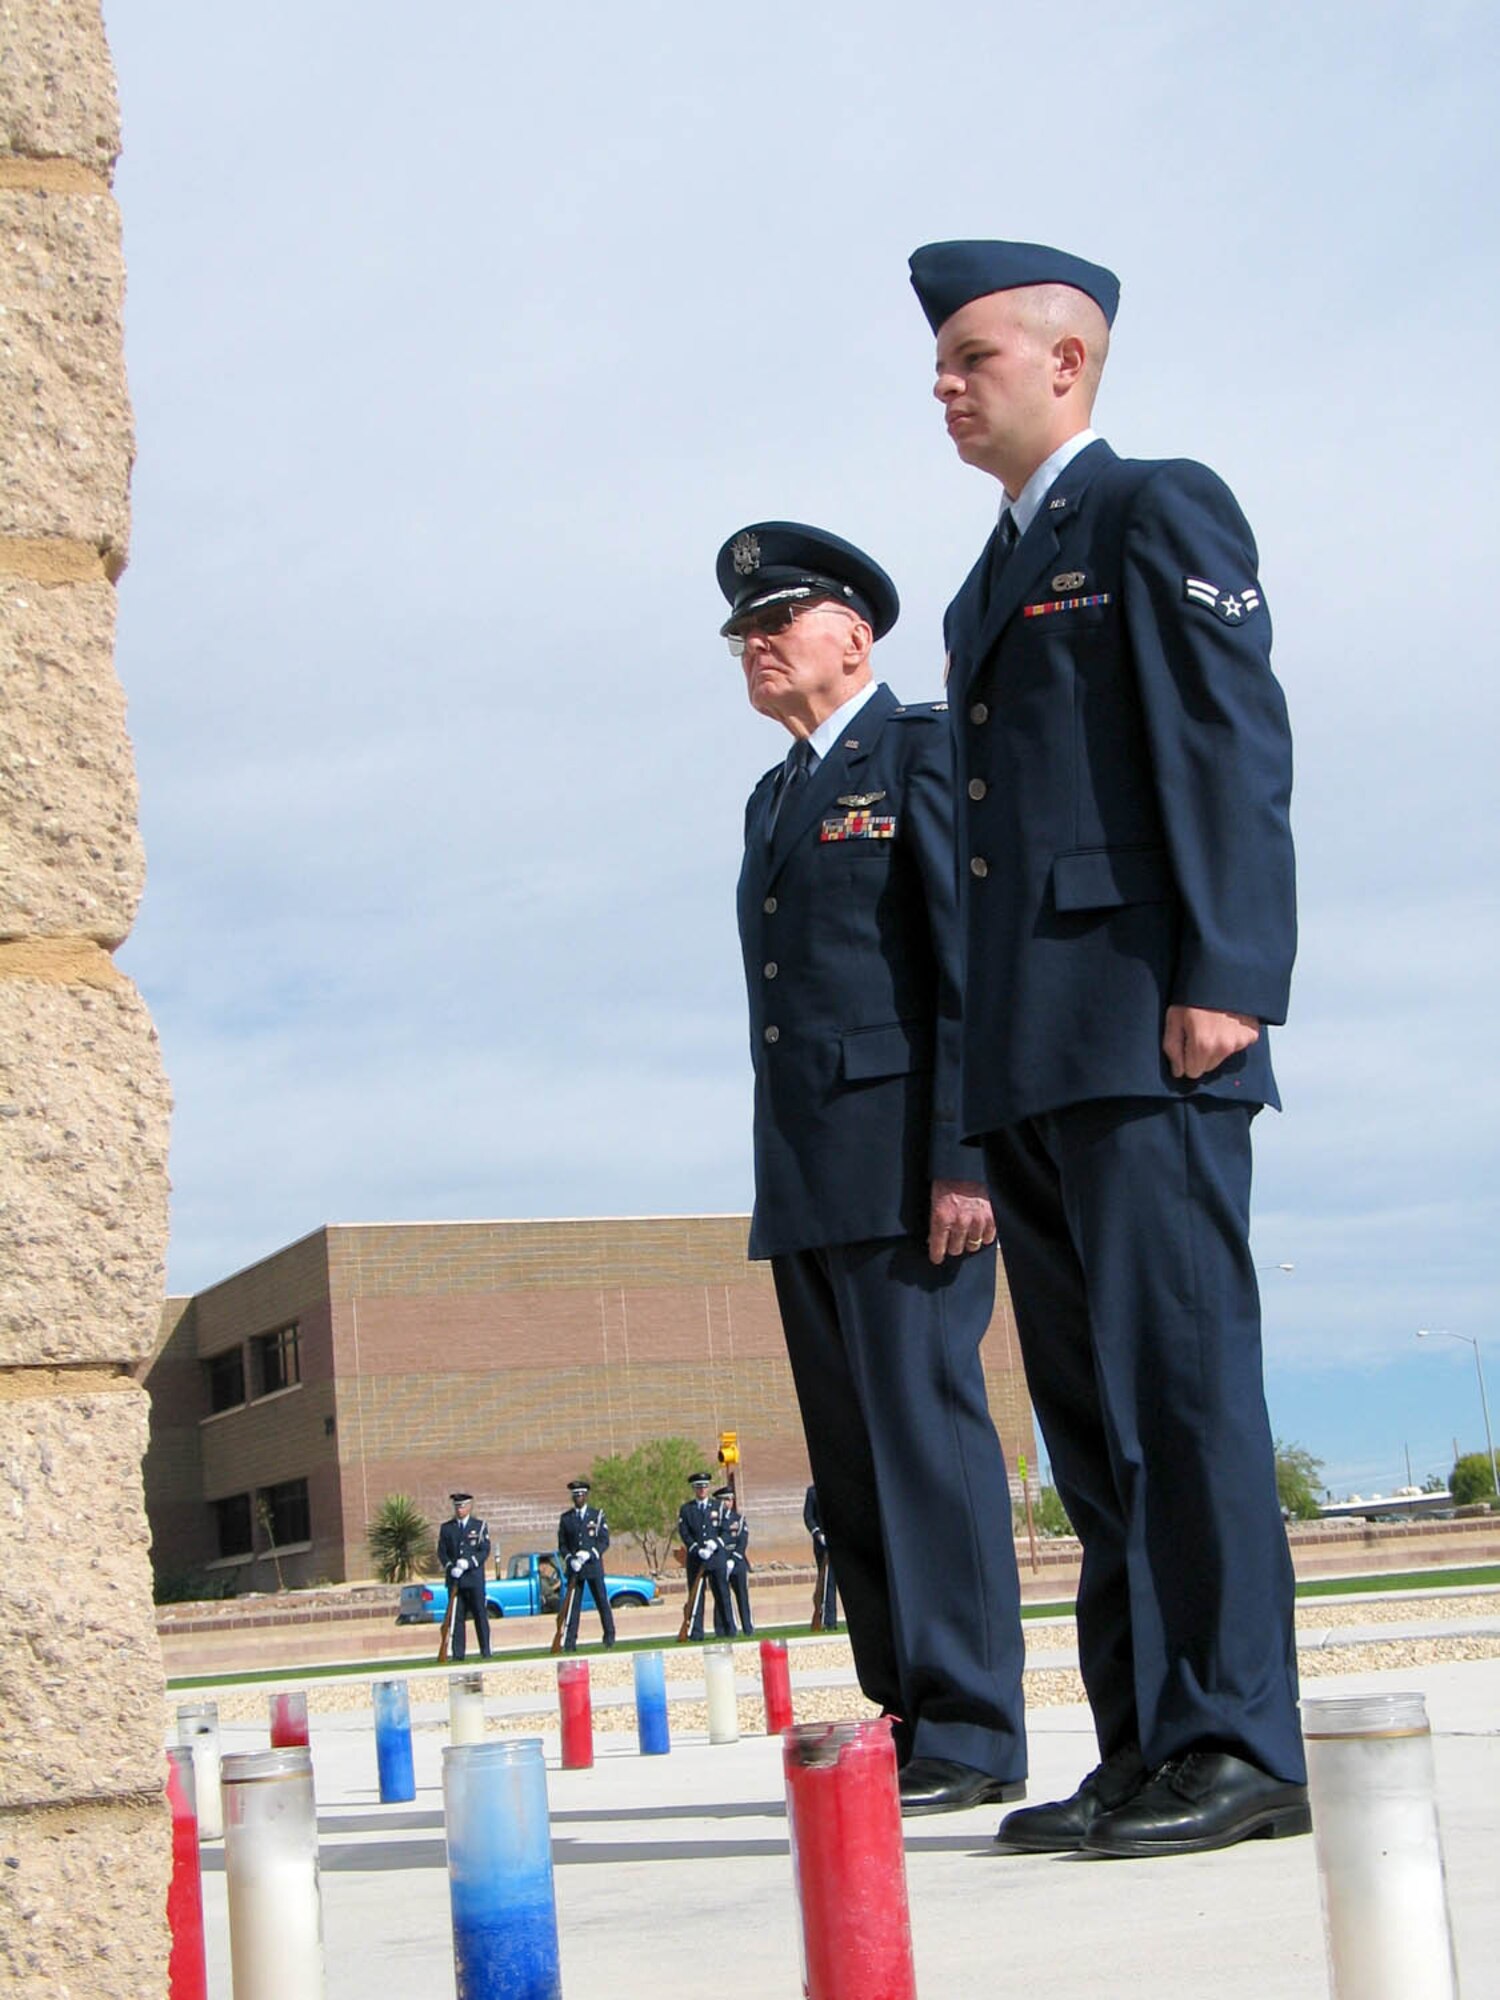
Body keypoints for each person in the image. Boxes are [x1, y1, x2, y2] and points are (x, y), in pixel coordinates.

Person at [907, 238, 1308, 1857]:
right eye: (939, 362)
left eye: (972, 357)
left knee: (1185, 1389)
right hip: (1034, 1052)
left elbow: (1228, 740)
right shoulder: (986, 576)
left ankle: (1241, 1739)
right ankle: (1148, 1737)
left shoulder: (1155, 508)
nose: (944, 383)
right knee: (1093, 1422)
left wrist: (1230, 970)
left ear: (1068, 363)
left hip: (1154, 1029)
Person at [720, 521, 1027, 1814]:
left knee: (926, 1444)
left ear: (854, 629)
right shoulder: (777, 794)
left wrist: (968, 1157)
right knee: (853, 1466)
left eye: (774, 619)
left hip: (914, 1172)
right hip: (810, 1176)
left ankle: (974, 1725)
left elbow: (973, 969)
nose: (752, 645)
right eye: (741, 633)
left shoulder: (923, 752)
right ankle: (910, 1706)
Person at [556, 1478, 616, 1650]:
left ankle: (609, 1636)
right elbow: (562, 1544)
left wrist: (590, 1554)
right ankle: (570, 1641)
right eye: (576, 1495)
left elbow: (604, 1541)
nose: (578, 1498)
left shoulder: (597, 1516)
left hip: (593, 1567)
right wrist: (570, 1559)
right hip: (575, 1569)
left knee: (602, 1602)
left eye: (581, 1495)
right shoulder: (566, 1519)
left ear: (586, 1496)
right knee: (573, 1607)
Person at [678, 1470, 735, 1639]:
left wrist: (715, 1543)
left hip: (716, 1558)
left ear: (708, 1488)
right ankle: (696, 1633)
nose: (701, 1490)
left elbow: (727, 1531)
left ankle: (728, 1630)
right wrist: (696, 1548)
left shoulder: (718, 1506)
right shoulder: (687, 1509)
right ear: (694, 1489)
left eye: (704, 1487)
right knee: (696, 1597)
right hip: (697, 1559)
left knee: (722, 1594)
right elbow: (684, 1532)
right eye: (698, 1488)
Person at [436, 1490, 492, 1661]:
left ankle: (486, 1650)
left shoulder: (479, 1526)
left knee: (480, 1615)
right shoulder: (447, 1528)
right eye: (457, 1507)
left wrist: (470, 1562)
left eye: (462, 1506)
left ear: (469, 1506)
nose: (459, 1510)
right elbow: (442, 1552)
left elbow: (484, 1550)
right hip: (455, 1581)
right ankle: (458, 1653)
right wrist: (450, 1567)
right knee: (456, 1618)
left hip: (474, 1579)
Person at [714, 1485, 754, 1634]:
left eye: (730, 1499)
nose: (728, 1502)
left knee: (742, 1596)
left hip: (737, 1563)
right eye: (725, 1500)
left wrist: (734, 1558)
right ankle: (723, 1629)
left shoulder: (739, 1519)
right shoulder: (714, 1520)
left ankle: (747, 1628)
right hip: (721, 1562)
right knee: (721, 1597)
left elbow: (742, 1541)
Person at [803, 1483, 839, 1632]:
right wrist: (818, 1534)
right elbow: (808, 1517)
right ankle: (827, 1620)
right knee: (825, 1582)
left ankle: (830, 1619)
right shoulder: (812, 1492)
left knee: (831, 1583)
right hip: (821, 1545)